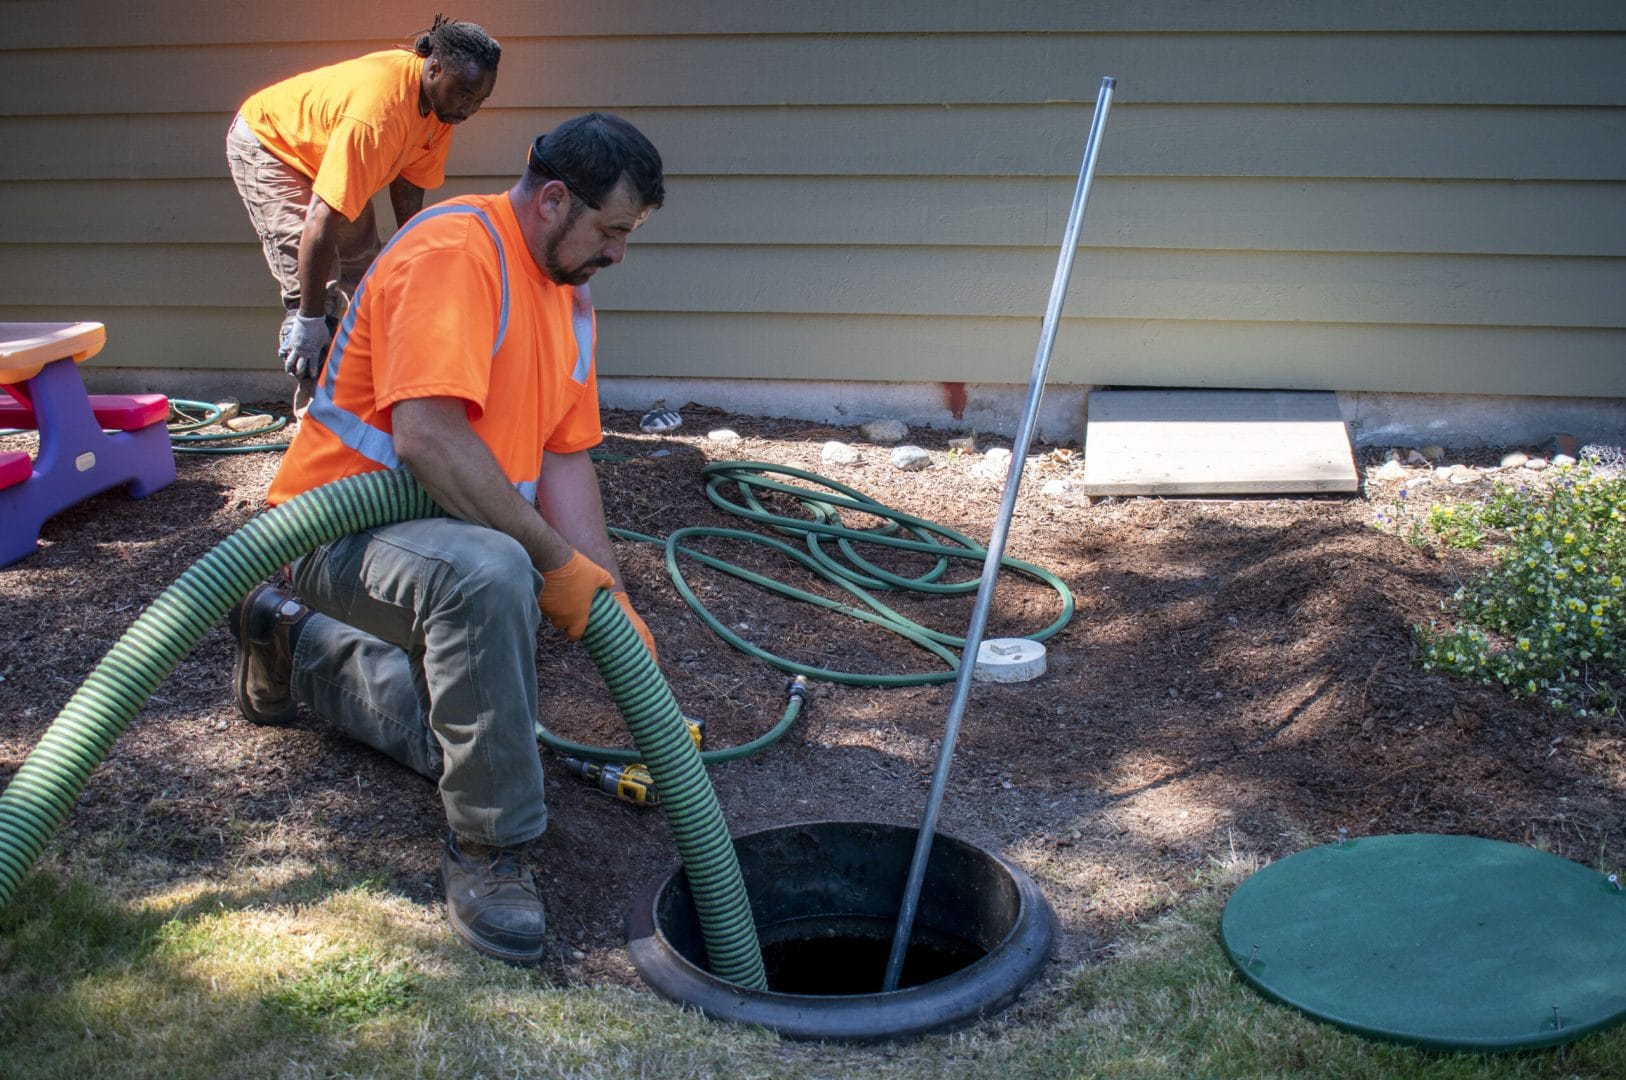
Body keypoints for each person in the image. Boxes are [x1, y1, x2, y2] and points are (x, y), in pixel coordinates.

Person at [226, 113, 666, 964]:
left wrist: (606, 598)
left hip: (443, 532)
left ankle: (290, 642)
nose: (617, 255)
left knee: (473, 737)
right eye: (611, 231)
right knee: (493, 574)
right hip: (339, 526)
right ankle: (491, 850)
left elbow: (565, 459)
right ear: (552, 200)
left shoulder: (570, 297)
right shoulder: (457, 254)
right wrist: (550, 561)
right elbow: (427, 438)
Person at [225, 15, 501, 414]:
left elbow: (409, 184)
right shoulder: (378, 115)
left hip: (325, 151)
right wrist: (309, 319)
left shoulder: (441, 110)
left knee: (368, 272)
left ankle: (368, 398)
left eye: (479, 100)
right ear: (434, 69)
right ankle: (317, 419)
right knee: (317, 289)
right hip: (271, 148)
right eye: (464, 95)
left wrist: (415, 267)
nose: (470, 108)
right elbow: (320, 219)